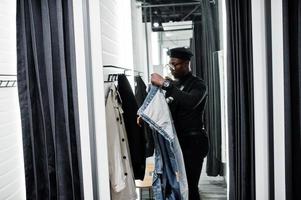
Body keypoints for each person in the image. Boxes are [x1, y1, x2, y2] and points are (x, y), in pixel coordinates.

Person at [144, 47, 209, 200]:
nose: (172, 68)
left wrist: (165, 84)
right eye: (170, 64)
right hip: (177, 142)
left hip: (193, 143)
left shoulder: (198, 85)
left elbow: (190, 102)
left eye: (176, 64)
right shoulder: (174, 84)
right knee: (177, 186)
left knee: (190, 187)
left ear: (187, 63)